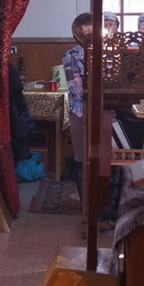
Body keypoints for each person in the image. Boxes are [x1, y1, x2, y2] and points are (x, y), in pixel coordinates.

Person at [61, 13, 91, 199]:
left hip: (107, 112)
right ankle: (85, 204)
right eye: (85, 29)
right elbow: (78, 91)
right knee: (82, 159)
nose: (89, 31)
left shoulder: (110, 51)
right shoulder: (71, 55)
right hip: (81, 113)